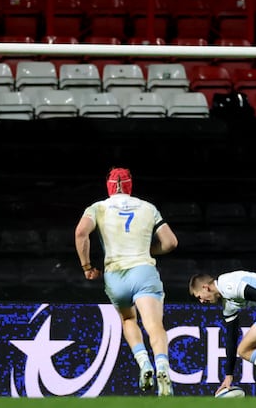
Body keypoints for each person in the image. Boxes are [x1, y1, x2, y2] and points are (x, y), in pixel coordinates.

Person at [75, 167, 179, 396]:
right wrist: (148, 249)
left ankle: (144, 364)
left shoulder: (98, 207)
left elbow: (81, 232)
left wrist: (87, 267)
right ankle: (162, 364)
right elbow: (171, 242)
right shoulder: (148, 208)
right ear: (130, 185)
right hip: (143, 271)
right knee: (154, 326)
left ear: (109, 186)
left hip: (115, 275)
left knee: (129, 319)